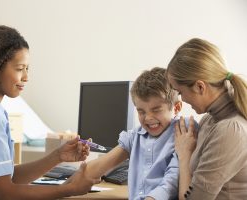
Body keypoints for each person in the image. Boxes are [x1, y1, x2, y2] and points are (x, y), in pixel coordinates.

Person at [0, 25, 100, 200]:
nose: (26, 77)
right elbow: (5, 193)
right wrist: (68, 189)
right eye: (20, 69)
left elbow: (7, 179)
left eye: (27, 69)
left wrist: (58, 156)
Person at [83, 67, 183, 200]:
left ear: (176, 108)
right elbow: (98, 167)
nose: (148, 118)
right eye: (141, 111)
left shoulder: (183, 133)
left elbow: (172, 182)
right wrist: (76, 176)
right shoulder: (135, 136)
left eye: (156, 110)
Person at [166, 38, 247, 200]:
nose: (182, 99)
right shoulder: (209, 120)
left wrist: (184, 155)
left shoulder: (230, 129)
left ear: (200, 87)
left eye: (180, 92)